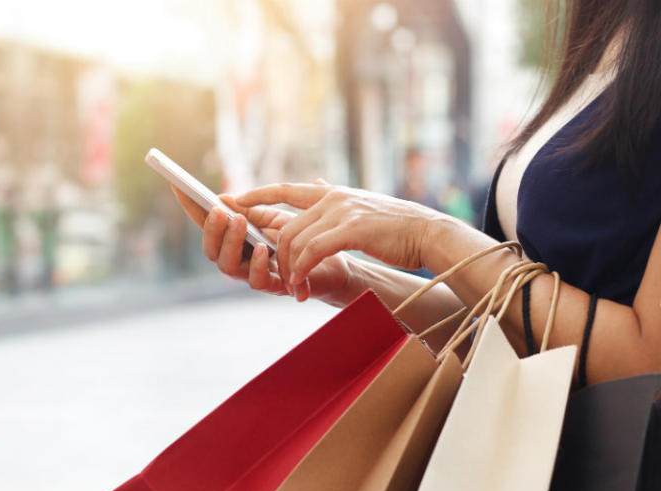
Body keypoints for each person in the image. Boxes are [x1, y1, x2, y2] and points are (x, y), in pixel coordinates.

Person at [174, 0, 661, 386]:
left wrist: (430, 234)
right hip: (562, 486)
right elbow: (509, 332)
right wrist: (349, 278)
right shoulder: (609, 46)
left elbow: (647, 365)